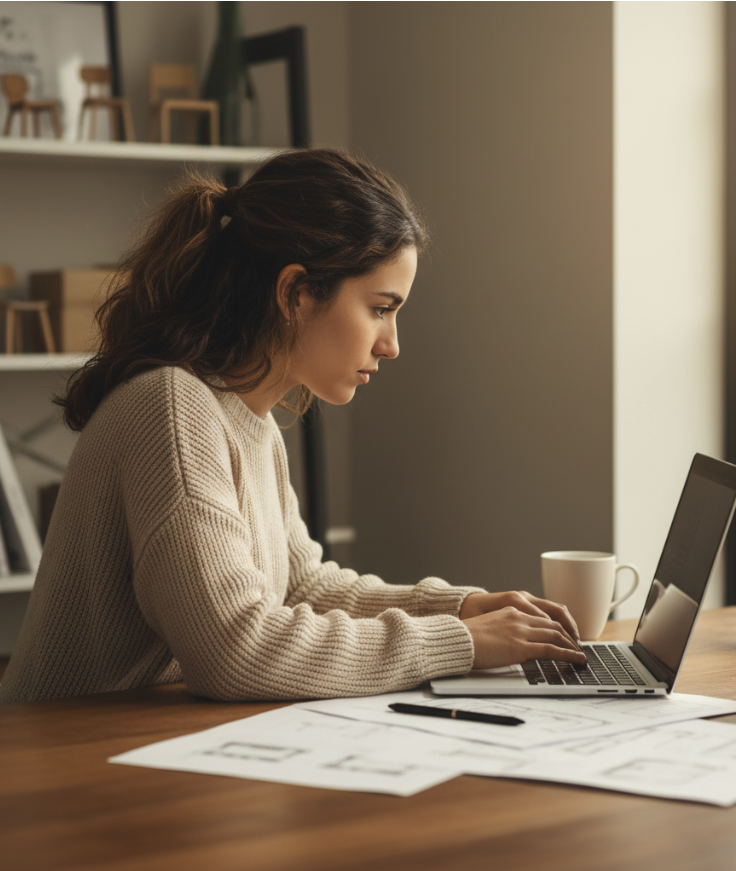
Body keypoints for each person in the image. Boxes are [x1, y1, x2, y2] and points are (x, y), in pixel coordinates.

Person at [0, 149, 585, 705]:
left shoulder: (247, 420)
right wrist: (459, 645)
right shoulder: (173, 409)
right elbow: (236, 647)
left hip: (144, 746)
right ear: (296, 293)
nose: (393, 345)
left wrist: (460, 610)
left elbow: (301, 588)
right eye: (381, 308)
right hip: (63, 765)